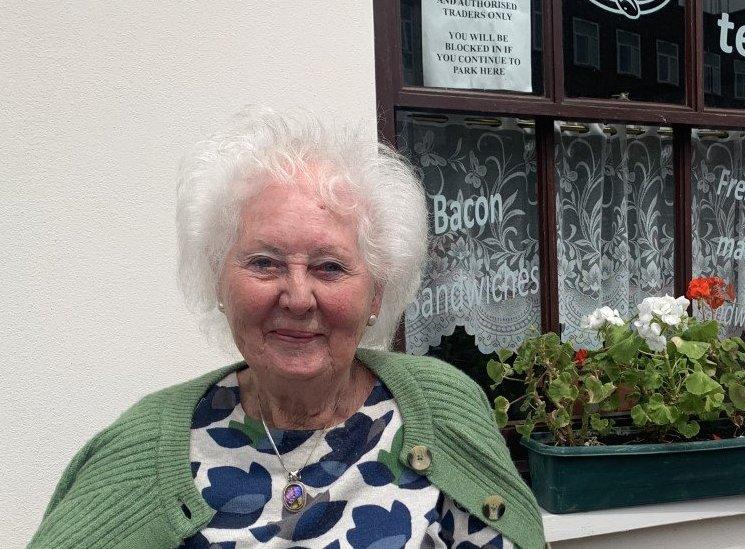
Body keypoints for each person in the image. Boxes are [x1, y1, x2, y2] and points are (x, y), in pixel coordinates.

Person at [30, 108, 545, 549]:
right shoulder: (145, 448)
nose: (298, 297)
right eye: (264, 263)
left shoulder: (439, 409)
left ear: (376, 295)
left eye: (329, 267)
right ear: (219, 282)